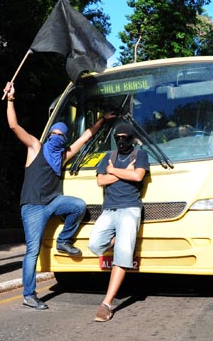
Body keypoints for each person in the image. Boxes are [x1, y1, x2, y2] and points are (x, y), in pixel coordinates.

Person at [3, 81, 115, 310]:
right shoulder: (35, 146)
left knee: (78, 206)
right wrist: (11, 99)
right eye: (54, 133)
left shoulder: (63, 156)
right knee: (32, 250)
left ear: (64, 138)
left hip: (53, 202)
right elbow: (14, 126)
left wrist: (103, 120)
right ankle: (28, 294)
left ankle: (64, 241)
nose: (56, 136)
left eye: (60, 135)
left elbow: (85, 137)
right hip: (33, 206)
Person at [88, 123, 150, 322]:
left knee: (123, 256)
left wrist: (112, 171)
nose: (121, 141)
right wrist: (122, 173)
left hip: (130, 209)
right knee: (95, 245)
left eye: (125, 137)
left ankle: (106, 304)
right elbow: (100, 181)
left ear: (131, 138)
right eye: (118, 137)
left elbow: (138, 175)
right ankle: (116, 239)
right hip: (109, 209)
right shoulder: (109, 156)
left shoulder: (140, 155)